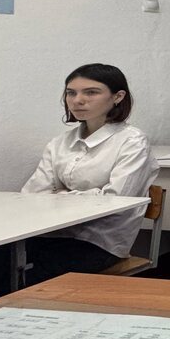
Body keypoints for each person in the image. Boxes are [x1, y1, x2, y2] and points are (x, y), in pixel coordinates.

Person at [20, 64, 158, 285]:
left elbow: (117, 201)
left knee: (21, 275)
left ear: (118, 97)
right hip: (52, 233)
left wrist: (61, 195)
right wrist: (89, 194)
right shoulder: (60, 142)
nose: (78, 100)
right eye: (71, 93)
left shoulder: (132, 141)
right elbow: (32, 194)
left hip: (100, 241)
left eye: (91, 92)